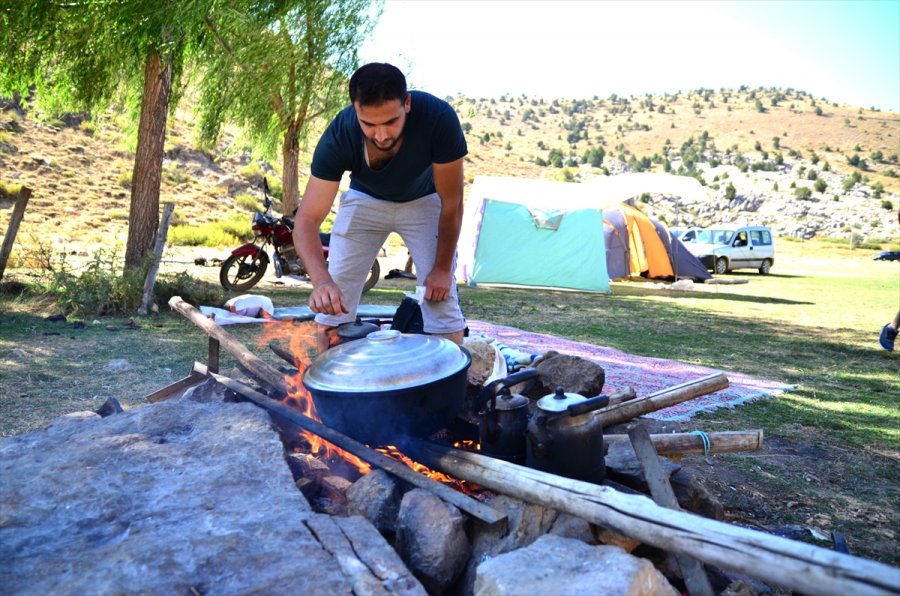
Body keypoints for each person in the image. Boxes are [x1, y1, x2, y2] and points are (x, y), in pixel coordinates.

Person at [293, 63, 467, 344]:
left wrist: (443, 270)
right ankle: (332, 384)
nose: (382, 134)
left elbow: (452, 203)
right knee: (334, 299)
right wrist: (322, 282)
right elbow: (306, 220)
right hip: (365, 201)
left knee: (441, 301)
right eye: (369, 125)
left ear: (406, 104)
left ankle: (446, 383)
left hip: (424, 201)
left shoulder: (438, 118)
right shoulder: (340, 134)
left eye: (390, 122)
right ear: (355, 110)